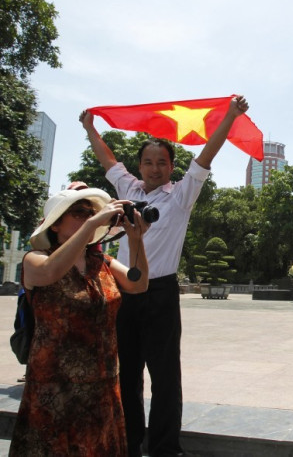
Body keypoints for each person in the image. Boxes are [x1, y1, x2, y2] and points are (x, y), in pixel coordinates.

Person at [80, 95, 249, 457]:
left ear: (171, 167)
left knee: (165, 378)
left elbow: (206, 155)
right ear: (140, 166)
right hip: (125, 291)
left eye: (162, 163)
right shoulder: (127, 191)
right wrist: (90, 128)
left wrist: (231, 117)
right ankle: (126, 445)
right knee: (126, 376)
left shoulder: (181, 197)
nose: (154, 169)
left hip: (160, 294)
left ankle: (164, 448)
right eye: (148, 162)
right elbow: (108, 160)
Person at [10, 188, 149, 456]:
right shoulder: (35, 259)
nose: (87, 217)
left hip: (102, 383)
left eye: (90, 212)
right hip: (55, 387)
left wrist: (136, 240)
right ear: (56, 222)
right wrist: (92, 224)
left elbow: (139, 283)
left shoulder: (102, 261)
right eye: (78, 213)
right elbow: (50, 271)